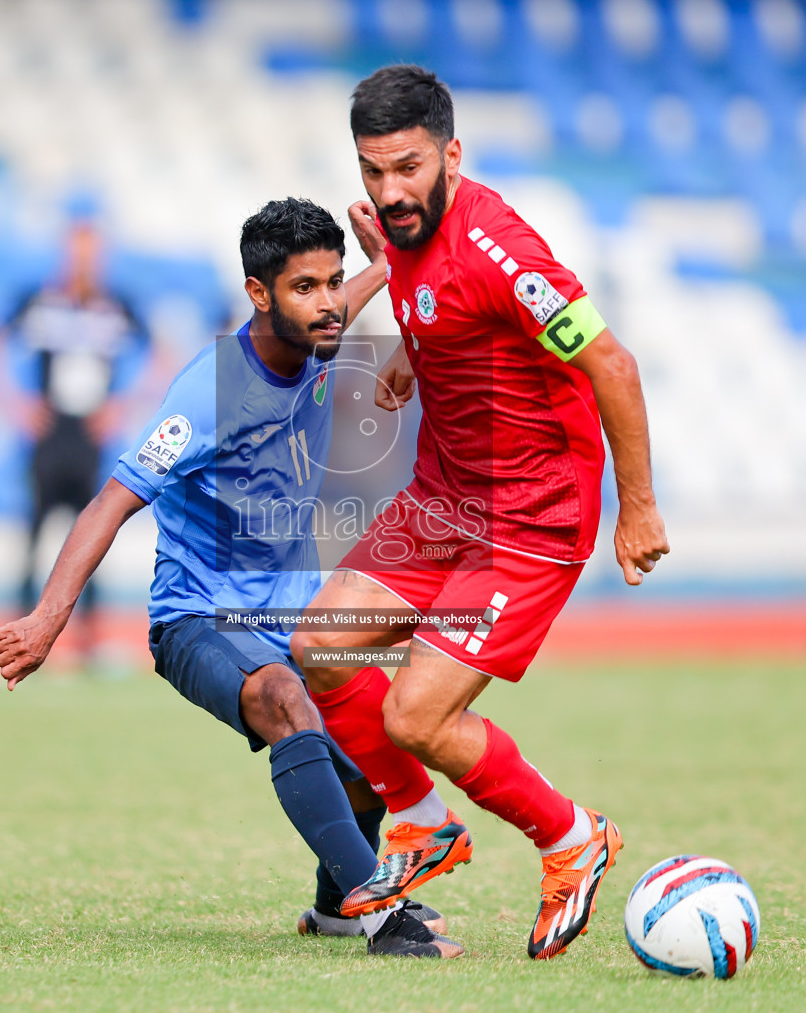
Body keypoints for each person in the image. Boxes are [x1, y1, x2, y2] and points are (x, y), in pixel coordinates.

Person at [0, 198, 461, 958]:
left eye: (332, 282)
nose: (328, 302)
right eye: (304, 286)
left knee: (382, 742)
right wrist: (48, 620)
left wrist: (391, 265)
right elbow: (109, 504)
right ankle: (384, 918)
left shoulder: (319, 334)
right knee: (284, 701)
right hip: (199, 620)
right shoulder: (210, 390)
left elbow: (365, 291)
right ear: (258, 293)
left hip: (294, 616)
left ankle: (337, 905)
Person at [289, 65, 671, 961]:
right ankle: (423, 821)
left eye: (410, 168)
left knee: (414, 717)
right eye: (374, 171)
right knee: (318, 647)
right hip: (444, 494)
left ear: (452, 154)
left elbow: (612, 366)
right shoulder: (402, 227)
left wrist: (639, 509)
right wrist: (418, 356)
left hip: (530, 517)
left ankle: (571, 838)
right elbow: (443, 301)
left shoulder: (505, 252)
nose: (390, 191)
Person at [0, 206, 152, 664]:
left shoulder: (116, 304)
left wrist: (123, 406)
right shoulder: (40, 301)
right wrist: (12, 403)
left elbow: (162, 354)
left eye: (92, 251)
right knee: (34, 535)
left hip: (89, 439)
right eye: (78, 250)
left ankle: (87, 642)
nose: (85, 260)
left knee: (90, 535)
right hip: (49, 435)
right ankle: (15, 636)